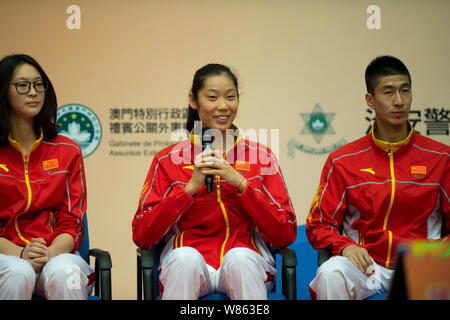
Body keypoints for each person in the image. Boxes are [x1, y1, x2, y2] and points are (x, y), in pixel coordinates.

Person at [132, 63, 297, 299]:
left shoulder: (262, 157)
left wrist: (240, 183)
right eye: (212, 97)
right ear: (193, 100)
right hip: (188, 261)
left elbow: (285, 233)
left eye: (230, 97)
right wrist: (189, 189)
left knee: (240, 259)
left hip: (246, 258)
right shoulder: (167, 160)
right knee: (184, 259)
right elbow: (142, 235)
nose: (223, 106)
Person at [306, 55, 449, 299]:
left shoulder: (441, 157)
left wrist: (438, 252)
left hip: (423, 264)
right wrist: (346, 246)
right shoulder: (343, 160)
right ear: (370, 100)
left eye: (405, 91)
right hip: (366, 265)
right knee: (330, 273)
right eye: (388, 92)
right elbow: (319, 223)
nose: (399, 101)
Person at [0, 54, 94, 299]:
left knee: (64, 271)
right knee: (18, 271)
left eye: (39, 84)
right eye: (22, 85)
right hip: (6, 258)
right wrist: (20, 253)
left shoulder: (67, 151)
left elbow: (73, 221)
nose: (33, 92)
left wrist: (49, 254)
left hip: (55, 253)